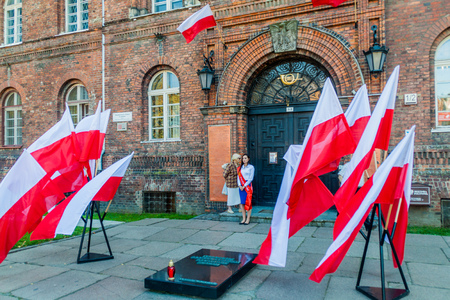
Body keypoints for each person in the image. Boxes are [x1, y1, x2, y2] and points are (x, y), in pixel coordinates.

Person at [237, 154, 254, 224]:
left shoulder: (251, 167)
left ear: (248, 159)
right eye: (243, 158)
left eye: (245, 158)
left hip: (247, 186)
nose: (244, 160)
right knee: (242, 203)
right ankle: (243, 218)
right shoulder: (240, 168)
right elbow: (238, 177)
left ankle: (248, 219)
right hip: (241, 187)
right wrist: (239, 185)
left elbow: (251, 178)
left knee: (248, 203)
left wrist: (244, 185)